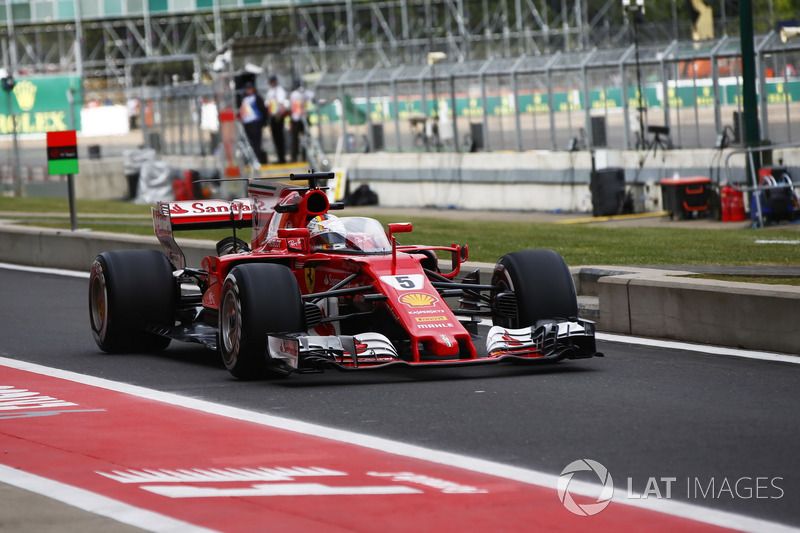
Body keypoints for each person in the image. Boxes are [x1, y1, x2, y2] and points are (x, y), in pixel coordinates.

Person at [239, 81, 268, 165]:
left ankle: (258, 160)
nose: (248, 90)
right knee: (249, 143)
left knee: (256, 143)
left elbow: (263, 110)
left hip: (255, 123)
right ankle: (251, 160)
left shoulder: (256, 98)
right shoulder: (244, 99)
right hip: (247, 124)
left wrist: (263, 123)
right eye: (247, 88)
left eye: (250, 88)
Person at [265, 75, 289, 164]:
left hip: (278, 117)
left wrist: (279, 115)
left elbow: (281, 104)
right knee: (275, 137)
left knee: (279, 138)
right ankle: (279, 156)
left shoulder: (279, 91)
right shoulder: (270, 92)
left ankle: (282, 158)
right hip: (272, 117)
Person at [289, 78, 314, 162]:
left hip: (302, 118)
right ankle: (299, 157)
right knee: (297, 138)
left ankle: (301, 157)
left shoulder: (300, 94)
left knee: (301, 138)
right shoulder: (299, 94)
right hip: (298, 118)